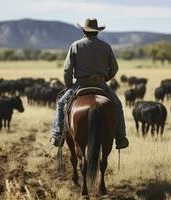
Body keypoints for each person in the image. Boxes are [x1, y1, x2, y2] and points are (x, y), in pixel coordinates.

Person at [50, 18, 129, 149]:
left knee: (61, 103)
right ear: (97, 32)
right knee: (117, 105)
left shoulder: (75, 45)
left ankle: (58, 135)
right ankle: (121, 138)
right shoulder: (106, 46)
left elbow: (67, 69)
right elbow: (114, 68)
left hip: (81, 84)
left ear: (84, 31)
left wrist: (69, 85)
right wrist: (105, 79)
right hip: (101, 84)